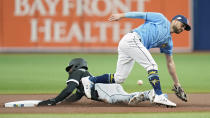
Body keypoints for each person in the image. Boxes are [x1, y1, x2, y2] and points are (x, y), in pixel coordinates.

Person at [82, 12, 191, 107]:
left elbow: (170, 62)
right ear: (176, 20)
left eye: (185, 28)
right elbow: (140, 14)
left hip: (131, 45)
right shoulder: (161, 19)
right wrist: (122, 15)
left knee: (119, 78)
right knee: (152, 66)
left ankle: (89, 80)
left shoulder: (168, 42)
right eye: (183, 25)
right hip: (132, 39)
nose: (183, 29)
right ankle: (159, 95)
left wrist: (177, 84)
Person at [37, 58, 155, 106]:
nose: (70, 71)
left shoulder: (78, 72)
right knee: (123, 99)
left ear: (77, 66)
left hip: (105, 90)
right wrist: (62, 103)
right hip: (106, 88)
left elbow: (69, 89)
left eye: (70, 68)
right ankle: (148, 94)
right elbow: (76, 96)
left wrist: (54, 101)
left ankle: (150, 93)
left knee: (125, 99)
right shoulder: (83, 80)